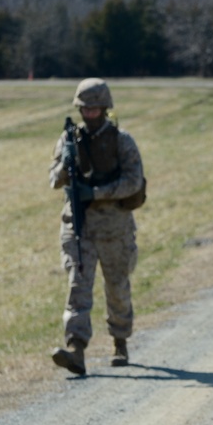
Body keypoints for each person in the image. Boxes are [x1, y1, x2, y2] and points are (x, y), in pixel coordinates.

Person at [49, 78, 145, 375]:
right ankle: (76, 349)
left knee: (117, 287)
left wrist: (98, 193)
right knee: (78, 288)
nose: (89, 113)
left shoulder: (122, 141)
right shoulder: (68, 140)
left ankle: (120, 341)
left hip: (114, 228)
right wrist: (66, 166)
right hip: (80, 227)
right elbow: (53, 180)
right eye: (84, 108)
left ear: (105, 107)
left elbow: (134, 182)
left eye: (95, 108)